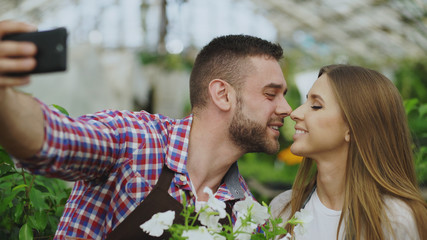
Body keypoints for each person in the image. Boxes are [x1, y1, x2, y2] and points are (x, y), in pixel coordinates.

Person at [0, 20, 292, 239]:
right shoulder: (134, 141)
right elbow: (53, 139)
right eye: (270, 94)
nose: (286, 109)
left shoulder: (247, 214)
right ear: (222, 95)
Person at [270, 64, 427, 240]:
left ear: (353, 128)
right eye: (306, 101)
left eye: (316, 106)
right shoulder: (282, 208)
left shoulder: (395, 220)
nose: (295, 113)